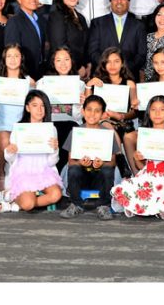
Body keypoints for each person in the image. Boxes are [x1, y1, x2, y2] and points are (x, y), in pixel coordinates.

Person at [113, 95, 164, 220]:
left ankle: (161, 206)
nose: (157, 113)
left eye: (162, 109)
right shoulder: (143, 135)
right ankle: (137, 205)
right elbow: (141, 166)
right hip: (148, 172)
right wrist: (136, 158)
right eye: (153, 109)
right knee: (131, 186)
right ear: (148, 113)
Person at [0, 90, 63, 213]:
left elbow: (51, 162)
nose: (39, 110)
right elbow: (11, 160)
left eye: (42, 106)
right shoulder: (19, 129)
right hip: (23, 172)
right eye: (35, 105)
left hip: (44, 171)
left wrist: (55, 150)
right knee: (28, 204)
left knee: (56, 195)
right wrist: (10, 151)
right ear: (28, 108)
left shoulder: (51, 129)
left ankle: (13, 203)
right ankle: (17, 199)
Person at [60, 94, 121, 221]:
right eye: (89, 109)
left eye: (97, 111)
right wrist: (80, 163)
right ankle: (76, 204)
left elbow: (113, 162)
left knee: (108, 170)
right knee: (74, 169)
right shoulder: (76, 132)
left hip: (99, 176)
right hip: (82, 175)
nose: (92, 114)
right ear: (83, 111)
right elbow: (70, 161)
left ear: (103, 114)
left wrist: (102, 164)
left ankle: (104, 206)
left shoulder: (107, 134)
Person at [0, 44, 34, 191]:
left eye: (16, 56)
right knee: (5, 140)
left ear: (21, 59)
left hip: (21, 122)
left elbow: (33, 108)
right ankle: (1, 174)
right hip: (1, 121)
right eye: (9, 56)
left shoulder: (29, 82)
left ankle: (21, 177)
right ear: (4, 59)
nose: (13, 59)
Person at [84, 47, 139, 178]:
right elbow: (87, 105)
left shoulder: (129, 83)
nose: (112, 65)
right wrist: (88, 86)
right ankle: (120, 160)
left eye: (116, 61)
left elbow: (135, 112)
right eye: (108, 61)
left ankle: (135, 175)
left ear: (122, 63)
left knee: (116, 129)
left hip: (123, 122)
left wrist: (121, 116)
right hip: (102, 121)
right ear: (104, 64)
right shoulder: (98, 82)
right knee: (106, 125)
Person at [37, 46, 86, 173]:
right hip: (49, 123)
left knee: (70, 129)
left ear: (72, 62)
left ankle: (56, 176)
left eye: (66, 59)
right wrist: (67, 108)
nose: (63, 63)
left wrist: (80, 104)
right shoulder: (43, 83)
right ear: (53, 63)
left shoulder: (80, 85)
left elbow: (76, 116)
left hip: (71, 124)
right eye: (58, 60)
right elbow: (42, 110)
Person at [87, 0, 147, 77]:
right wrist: (108, 68)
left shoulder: (139, 25)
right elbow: (93, 52)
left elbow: (141, 54)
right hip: (103, 76)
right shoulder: (97, 23)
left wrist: (124, 70)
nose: (119, 1)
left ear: (128, 1)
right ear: (110, 1)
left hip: (129, 76)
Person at [5, 0, 49, 80]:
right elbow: (11, 52)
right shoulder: (14, 21)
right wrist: (25, 76)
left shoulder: (41, 20)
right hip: (24, 74)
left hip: (41, 72)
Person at [48, 0, 89, 79]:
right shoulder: (57, 15)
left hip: (82, 70)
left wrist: (87, 64)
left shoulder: (81, 17)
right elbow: (59, 46)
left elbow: (85, 45)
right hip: (64, 71)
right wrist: (77, 67)